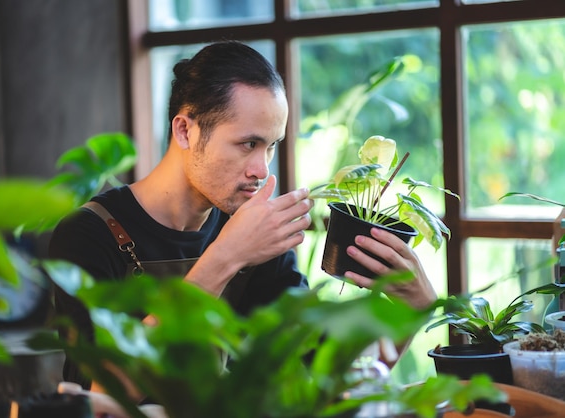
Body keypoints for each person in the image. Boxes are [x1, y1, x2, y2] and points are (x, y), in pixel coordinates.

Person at [48, 40, 436, 392]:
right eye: (248, 143)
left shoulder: (257, 236)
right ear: (185, 130)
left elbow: (326, 382)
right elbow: (103, 393)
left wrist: (410, 313)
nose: (262, 169)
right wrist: (225, 257)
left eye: (270, 147)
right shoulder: (89, 234)